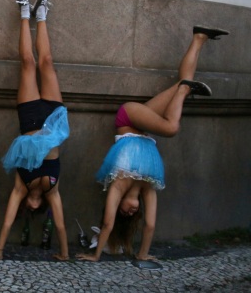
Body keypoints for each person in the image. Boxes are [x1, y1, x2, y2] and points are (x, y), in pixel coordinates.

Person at [76, 25, 229, 262]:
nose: (131, 210)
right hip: (144, 124)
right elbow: (149, 225)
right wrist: (143, 254)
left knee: (171, 127)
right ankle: (199, 38)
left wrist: (95, 256)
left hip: (128, 119)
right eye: (133, 213)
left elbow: (107, 223)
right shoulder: (148, 185)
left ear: (119, 208)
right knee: (183, 82)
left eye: (125, 212)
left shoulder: (118, 185)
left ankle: (184, 91)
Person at [0, 0, 69, 261]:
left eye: (28, 208)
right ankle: (41, 13)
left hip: (30, 117)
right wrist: (65, 254)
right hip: (54, 118)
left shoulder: (21, 185)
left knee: (27, 63)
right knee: (47, 62)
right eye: (36, 207)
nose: (32, 206)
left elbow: (8, 220)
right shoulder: (52, 189)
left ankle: (24, 12)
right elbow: (59, 223)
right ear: (41, 204)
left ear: (25, 206)